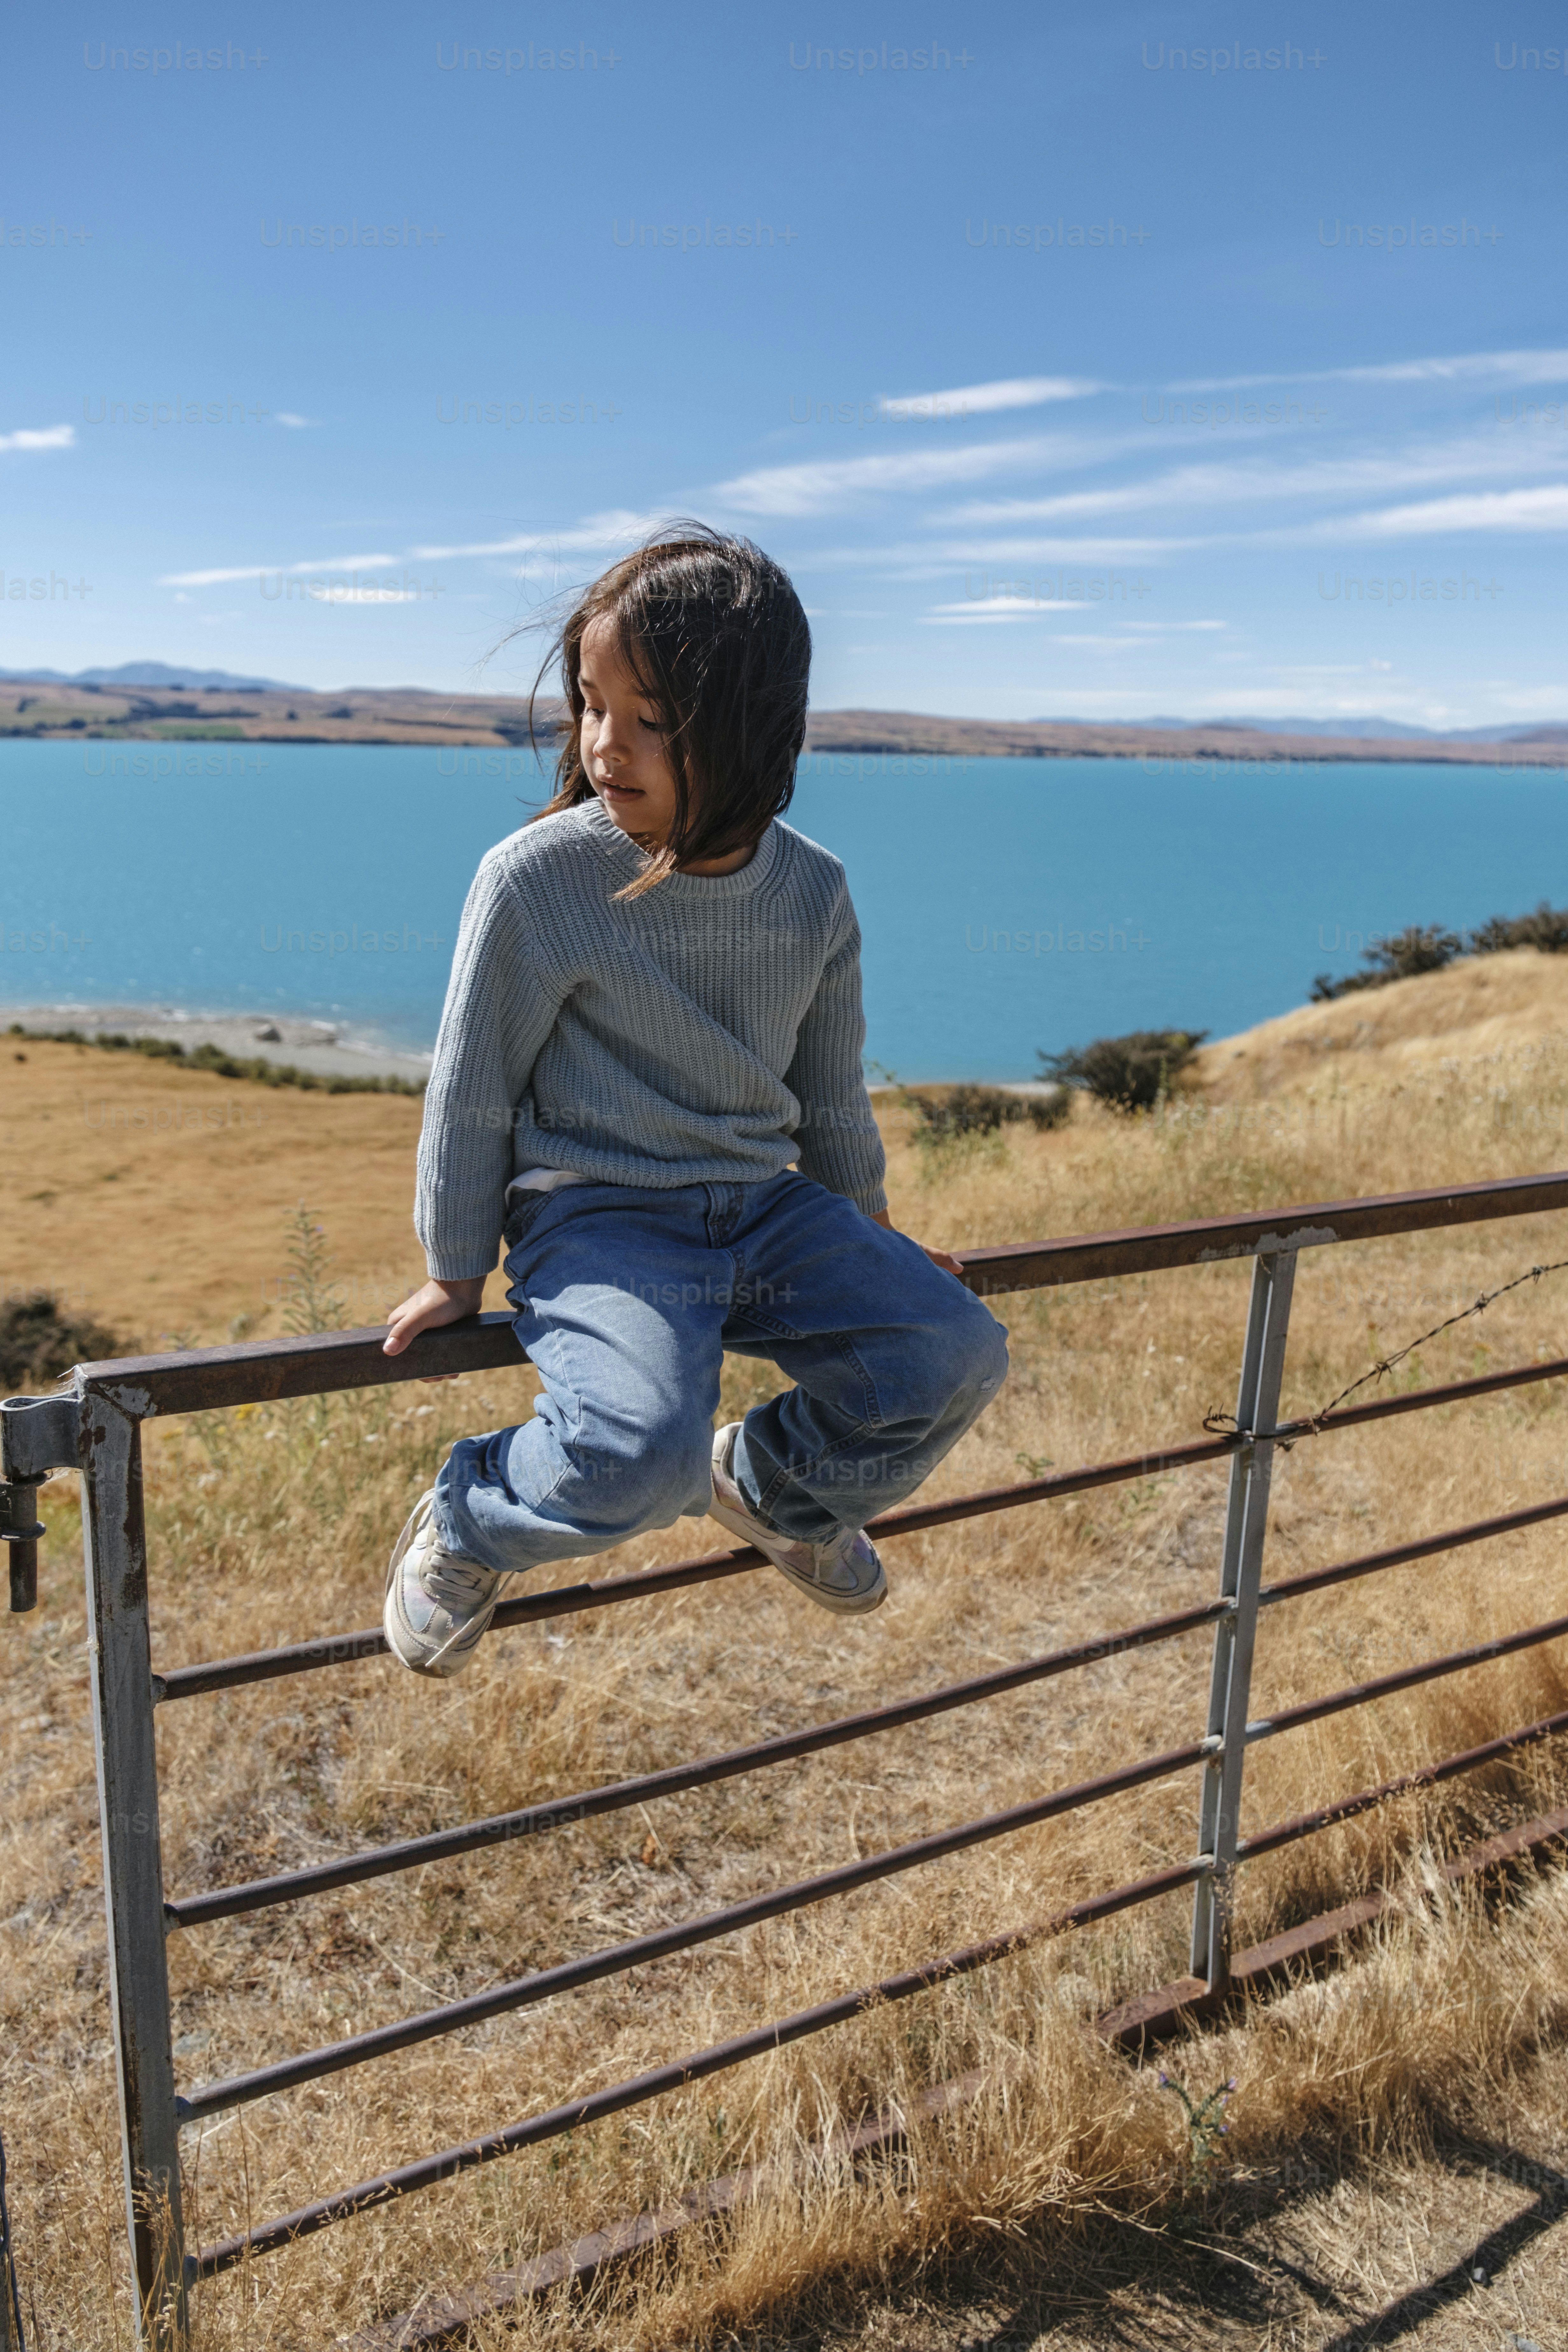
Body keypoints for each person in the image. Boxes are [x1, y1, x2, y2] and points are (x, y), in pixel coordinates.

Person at [380, 524, 1008, 1676]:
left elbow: (830, 1096)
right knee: (631, 1458)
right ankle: (469, 1515)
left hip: (766, 1207)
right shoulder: (538, 877)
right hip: (599, 1215)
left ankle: (773, 1489)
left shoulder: (813, 888)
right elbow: (469, 1089)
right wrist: (455, 1267)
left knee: (952, 1351)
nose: (605, 744)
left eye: (651, 718)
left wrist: (871, 1235)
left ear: (748, 728)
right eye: (590, 704)